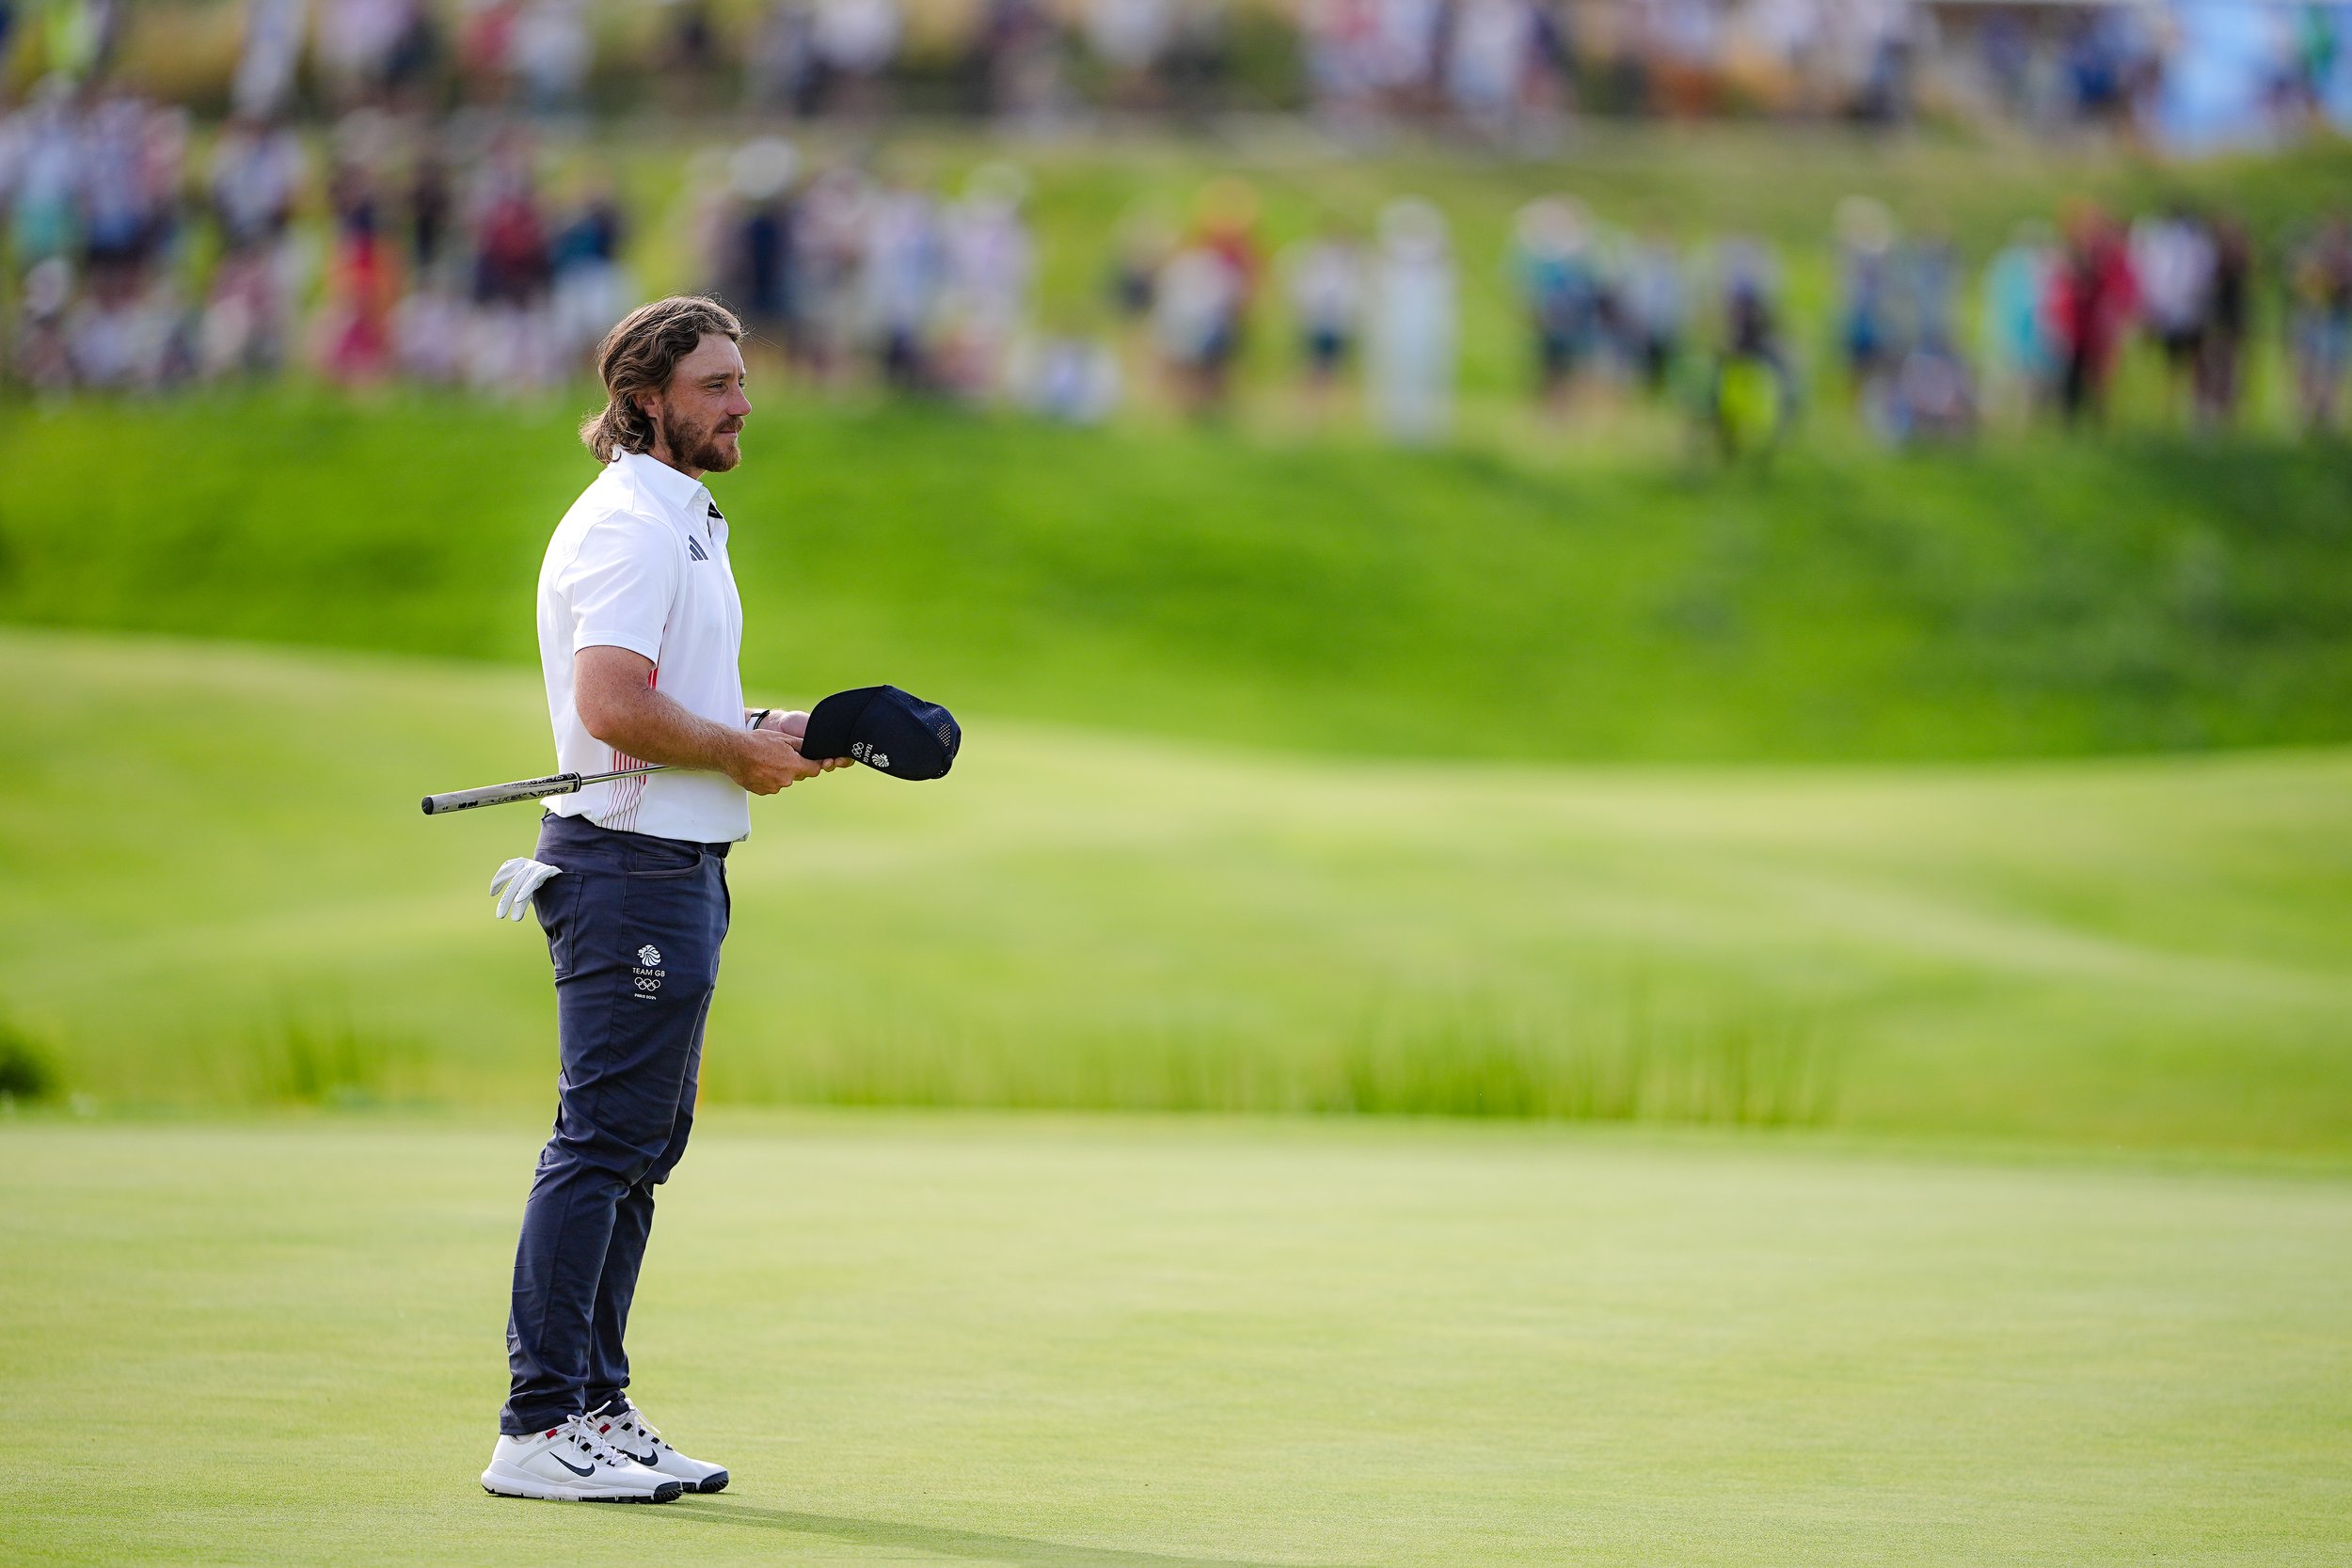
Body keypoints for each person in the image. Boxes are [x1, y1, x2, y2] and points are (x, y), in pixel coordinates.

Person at [480, 295, 847, 1505]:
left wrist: (756, 728)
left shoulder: (684, 520)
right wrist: (735, 756)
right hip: (626, 865)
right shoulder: (632, 524)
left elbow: (662, 696)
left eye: (742, 380)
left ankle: (594, 1401)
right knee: (601, 1141)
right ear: (646, 399)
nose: (742, 401)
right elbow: (611, 704)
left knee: (643, 1144)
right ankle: (537, 1424)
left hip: (677, 863)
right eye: (716, 384)